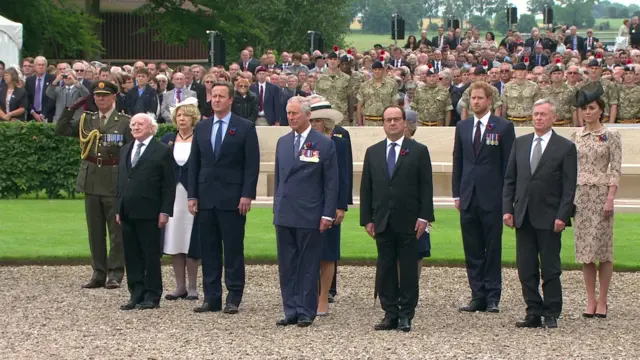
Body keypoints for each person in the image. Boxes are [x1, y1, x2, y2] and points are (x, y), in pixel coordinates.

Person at [502, 99, 578, 329]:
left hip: (550, 216)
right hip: (523, 214)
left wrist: (562, 216)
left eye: (543, 114)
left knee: (550, 267)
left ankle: (552, 311)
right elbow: (510, 180)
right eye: (535, 114)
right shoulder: (521, 143)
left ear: (553, 117)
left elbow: (569, 186)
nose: (538, 118)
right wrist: (507, 209)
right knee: (526, 267)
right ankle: (533, 310)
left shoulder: (564, 147)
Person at [360, 105, 434, 333]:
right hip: (382, 219)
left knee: (409, 269)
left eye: (396, 119)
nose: (392, 123)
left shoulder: (418, 151)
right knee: (386, 267)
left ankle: (406, 314)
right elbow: (366, 188)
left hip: (409, 221)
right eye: (388, 120)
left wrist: (424, 217)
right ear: (383, 123)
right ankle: (390, 312)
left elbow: (426, 187)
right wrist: (367, 219)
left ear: (404, 123)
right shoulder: (373, 152)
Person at [188, 81, 260, 314]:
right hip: (206, 197)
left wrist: (247, 194)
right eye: (214, 96)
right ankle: (212, 297)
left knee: (232, 249)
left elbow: (251, 165)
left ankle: (234, 296)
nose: (216, 100)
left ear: (231, 100)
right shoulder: (201, 127)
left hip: (232, 197)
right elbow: (194, 164)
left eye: (221, 96)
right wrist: (192, 195)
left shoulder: (245, 127)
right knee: (208, 249)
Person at [55, 81, 132, 289]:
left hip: (113, 179)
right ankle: (98, 272)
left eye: (105, 96)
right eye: (97, 96)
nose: (100, 99)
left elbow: (131, 153)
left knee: (116, 231)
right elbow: (61, 129)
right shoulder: (86, 119)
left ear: (113, 97)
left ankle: (115, 273)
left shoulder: (124, 121)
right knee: (95, 231)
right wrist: (70, 108)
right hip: (91, 179)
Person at [273, 96, 338, 327]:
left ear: (307, 115)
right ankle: (290, 309)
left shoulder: (323, 143)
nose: (291, 117)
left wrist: (327, 214)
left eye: (295, 113)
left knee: (308, 265)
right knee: (287, 264)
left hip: (310, 213)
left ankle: (305, 311)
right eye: (288, 113)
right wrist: (276, 209)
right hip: (285, 213)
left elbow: (331, 183)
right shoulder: (282, 142)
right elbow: (279, 181)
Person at [452, 81, 515, 313]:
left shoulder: (503, 127)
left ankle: (492, 296)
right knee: (472, 248)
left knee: (492, 247)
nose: (476, 102)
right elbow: (458, 161)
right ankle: (477, 294)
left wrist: (508, 199)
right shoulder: (463, 126)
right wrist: (456, 193)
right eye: (473, 98)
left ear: (489, 101)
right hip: (468, 195)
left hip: (493, 197)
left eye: (480, 98)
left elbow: (509, 166)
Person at [570, 83, 622, 319]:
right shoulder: (576, 135)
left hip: (602, 194)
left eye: (591, 108)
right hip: (581, 195)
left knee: (603, 250)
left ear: (600, 110)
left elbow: (616, 168)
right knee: (585, 251)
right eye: (584, 109)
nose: (587, 112)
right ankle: (590, 299)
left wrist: (610, 198)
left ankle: (603, 300)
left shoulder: (611, 135)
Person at [116, 113, 176, 310]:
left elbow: (169, 184)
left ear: (151, 128)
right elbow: (121, 182)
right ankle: (136, 293)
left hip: (150, 211)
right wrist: (118, 208)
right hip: (128, 211)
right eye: (133, 124)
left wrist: (165, 211)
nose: (135, 127)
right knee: (131, 255)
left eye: (140, 124)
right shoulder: (126, 149)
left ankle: (152, 294)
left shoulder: (161, 150)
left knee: (150, 255)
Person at [308, 102, 349, 316]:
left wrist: (341, 205)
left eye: (318, 120)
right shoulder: (305, 143)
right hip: (308, 204)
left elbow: (344, 175)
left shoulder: (339, 143)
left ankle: (324, 296)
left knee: (328, 252)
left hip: (330, 203)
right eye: (312, 120)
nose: (314, 124)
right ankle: (310, 295)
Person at [161, 97, 201, 301]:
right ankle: (180, 286)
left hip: (192, 196)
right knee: (174, 239)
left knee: (191, 240)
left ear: (193, 117)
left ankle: (193, 287)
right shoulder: (168, 138)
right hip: (172, 196)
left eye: (185, 115)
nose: (181, 118)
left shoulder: (200, 137)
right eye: (178, 115)